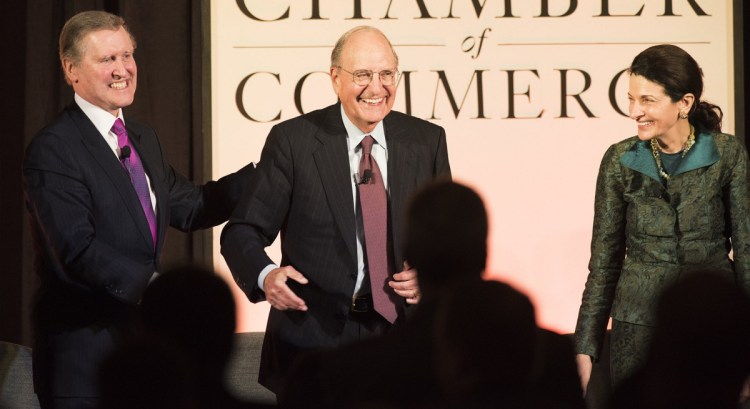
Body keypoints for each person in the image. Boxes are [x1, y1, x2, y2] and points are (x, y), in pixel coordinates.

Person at [23, 11, 254, 409]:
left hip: (146, 357)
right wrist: (158, 292)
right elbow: (77, 250)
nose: (122, 69)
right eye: (107, 60)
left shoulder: (142, 138)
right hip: (84, 360)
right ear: (71, 69)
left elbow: (193, 207)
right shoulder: (55, 148)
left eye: (127, 55)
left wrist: (271, 173)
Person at [221, 25, 451, 394]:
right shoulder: (293, 142)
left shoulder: (426, 141)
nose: (376, 88)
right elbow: (242, 231)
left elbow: (448, 239)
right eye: (362, 75)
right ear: (335, 79)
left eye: (386, 74)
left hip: (404, 345)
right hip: (313, 345)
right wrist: (265, 276)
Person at [574, 44, 750, 394]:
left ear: (684, 103)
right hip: (637, 328)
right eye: (631, 99)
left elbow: (746, 253)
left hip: (711, 321)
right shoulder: (620, 160)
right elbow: (604, 264)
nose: (635, 111)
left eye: (647, 100)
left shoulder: (727, 154)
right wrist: (585, 346)